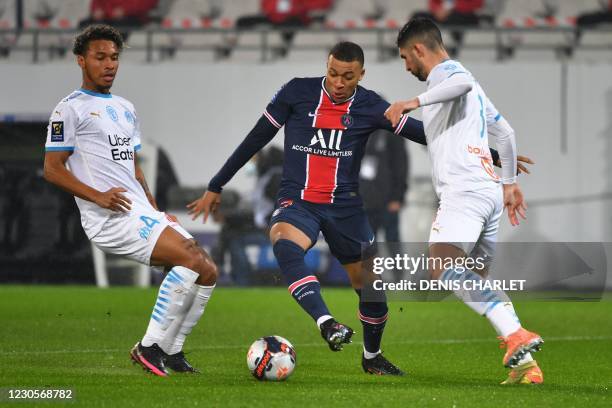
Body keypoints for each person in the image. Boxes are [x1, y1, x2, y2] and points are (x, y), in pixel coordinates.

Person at [188, 41, 523, 375]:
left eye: (347, 76)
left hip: (345, 208)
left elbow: (425, 134)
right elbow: (256, 138)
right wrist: (216, 184)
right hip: (299, 200)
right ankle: (326, 322)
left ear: (361, 74)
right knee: (284, 243)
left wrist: (495, 155)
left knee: (373, 286)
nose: (338, 82)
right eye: (332, 73)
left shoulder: (370, 105)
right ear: (327, 68)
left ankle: (372, 356)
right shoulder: (296, 93)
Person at [43, 24, 218, 377]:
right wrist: (99, 197)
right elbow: (52, 169)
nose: (109, 64)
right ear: (81, 60)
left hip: (137, 210)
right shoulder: (70, 109)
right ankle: (149, 347)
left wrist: (153, 208)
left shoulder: (125, 108)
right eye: (100, 57)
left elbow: (133, 168)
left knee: (207, 269)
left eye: (114, 58)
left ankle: (173, 351)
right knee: (188, 258)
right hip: (107, 217)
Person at [385, 18, 543, 385]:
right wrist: (509, 183)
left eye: (407, 58)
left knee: (442, 267)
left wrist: (412, 102)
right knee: (474, 279)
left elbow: (461, 81)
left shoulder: (450, 74)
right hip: (487, 193)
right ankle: (527, 366)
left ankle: (518, 337)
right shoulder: (471, 90)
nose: (407, 67)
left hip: (465, 191)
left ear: (419, 50)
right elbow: (505, 132)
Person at [359, 129, 408, 242]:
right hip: (365, 201)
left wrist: (397, 197)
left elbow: (401, 165)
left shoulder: (392, 132)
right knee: (367, 244)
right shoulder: (363, 130)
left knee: (392, 242)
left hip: (388, 201)